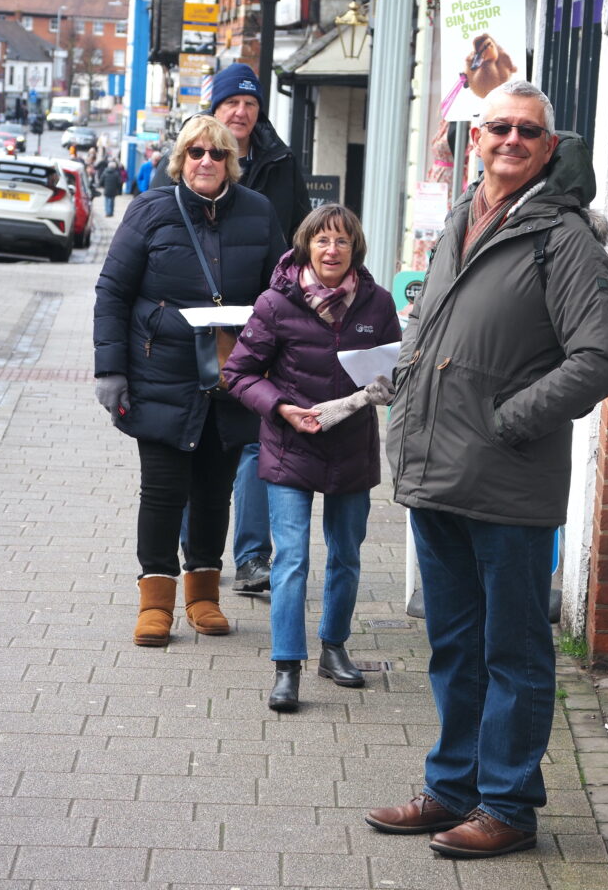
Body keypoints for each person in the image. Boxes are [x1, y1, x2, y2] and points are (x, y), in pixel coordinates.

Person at [365, 80, 608, 859]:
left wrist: (510, 419)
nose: (510, 140)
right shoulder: (461, 219)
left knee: (512, 651)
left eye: (528, 131)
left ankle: (508, 806)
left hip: (508, 483)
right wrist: (398, 381)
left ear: (550, 149)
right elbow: (432, 327)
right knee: (454, 644)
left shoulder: (564, 239)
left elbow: (601, 360)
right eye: (497, 128)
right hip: (438, 470)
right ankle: (452, 789)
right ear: (473, 140)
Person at [93, 115, 286, 647]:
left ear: (231, 161)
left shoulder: (258, 212)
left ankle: (203, 596)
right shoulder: (151, 210)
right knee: (162, 491)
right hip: (161, 373)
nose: (206, 161)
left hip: (232, 373)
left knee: (213, 492)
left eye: (218, 153)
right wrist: (111, 370)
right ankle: (156, 603)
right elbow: (112, 291)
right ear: (181, 159)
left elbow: (280, 294)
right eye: (196, 152)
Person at [223, 204, 402, 712]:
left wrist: (387, 387)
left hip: (351, 445)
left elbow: (394, 370)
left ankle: (334, 647)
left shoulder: (377, 304)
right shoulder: (275, 303)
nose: (331, 250)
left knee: (346, 555)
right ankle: (286, 667)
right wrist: (280, 407)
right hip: (290, 444)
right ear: (306, 246)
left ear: (354, 250)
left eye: (342, 242)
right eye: (322, 240)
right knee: (293, 559)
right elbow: (238, 374)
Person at [153, 63, 311, 595]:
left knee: (250, 446)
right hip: (193, 340)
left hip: (257, 331)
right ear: (213, 111)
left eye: (250, 103)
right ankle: (195, 552)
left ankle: (250, 558)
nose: (241, 112)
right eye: (230, 103)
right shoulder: (184, 162)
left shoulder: (283, 161)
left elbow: (297, 245)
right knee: (195, 446)